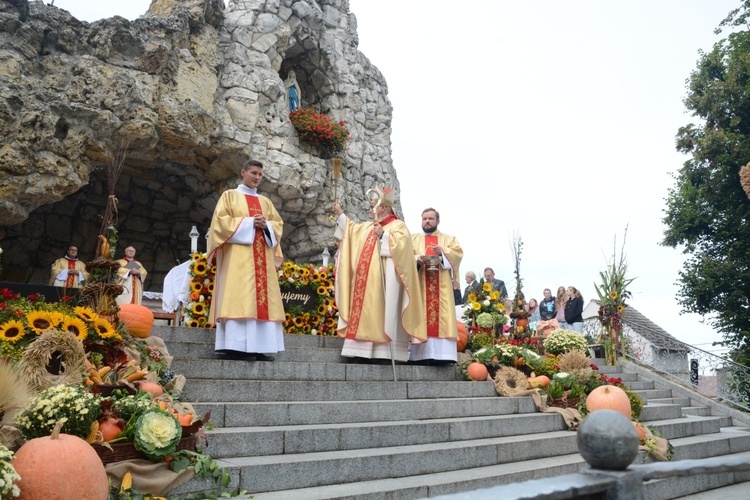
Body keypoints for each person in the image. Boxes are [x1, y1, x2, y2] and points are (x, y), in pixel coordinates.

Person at [332, 188, 426, 363]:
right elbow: (351, 231)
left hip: (384, 282)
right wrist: (340, 214)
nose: (370, 209)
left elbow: (403, 248)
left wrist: (384, 235)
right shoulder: (368, 226)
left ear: (383, 206)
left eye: (373, 205)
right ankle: (357, 351)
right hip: (363, 282)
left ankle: (383, 353)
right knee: (363, 311)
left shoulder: (398, 226)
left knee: (381, 314)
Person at [206, 159, 285, 362]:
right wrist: (250, 222)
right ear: (243, 172)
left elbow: (278, 224)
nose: (257, 177)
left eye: (260, 174)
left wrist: (266, 225)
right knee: (239, 299)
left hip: (262, 263)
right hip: (238, 263)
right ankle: (235, 347)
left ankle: (260, 348)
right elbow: (220, 223)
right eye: (254, 173)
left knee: (262, 301)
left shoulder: (266, 202)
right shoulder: (230, 196)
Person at [411, 207, 463, 365]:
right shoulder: (413, 239)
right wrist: (417, 259)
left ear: (438, 221)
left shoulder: (449, 239)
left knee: (442, 319)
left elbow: (458, 254)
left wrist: (443, 252)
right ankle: (418, 356)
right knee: (420, 317)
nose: (427, 221)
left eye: (430, 219)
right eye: (424, 219)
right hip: (420, 284)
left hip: (442, 287)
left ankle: (442, 356)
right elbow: (404, 255)